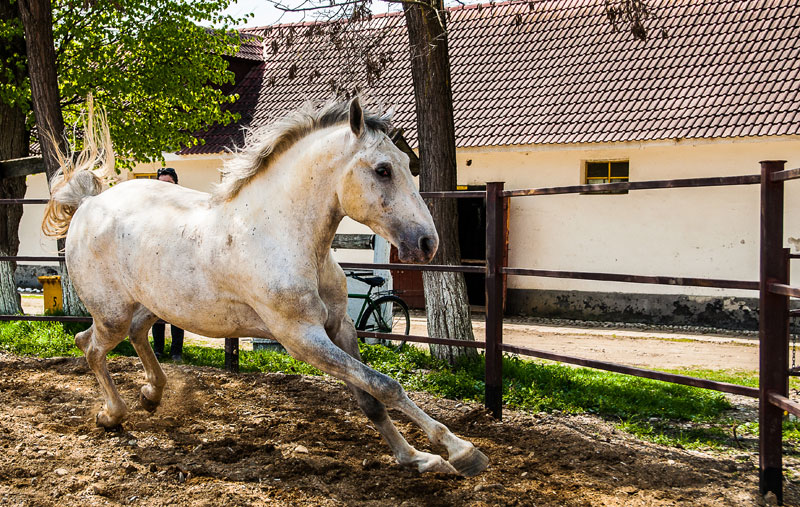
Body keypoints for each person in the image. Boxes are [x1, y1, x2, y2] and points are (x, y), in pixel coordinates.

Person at [151, 167, 185, 362]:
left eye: (169, 184)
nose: (164, 189)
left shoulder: (183, 207)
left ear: (176, 185)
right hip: (156, 265)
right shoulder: (150, 210)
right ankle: (157, 350)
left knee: (177, 312)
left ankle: (176, 352)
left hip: (177, 265)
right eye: (161, 184)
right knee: (156, 311)